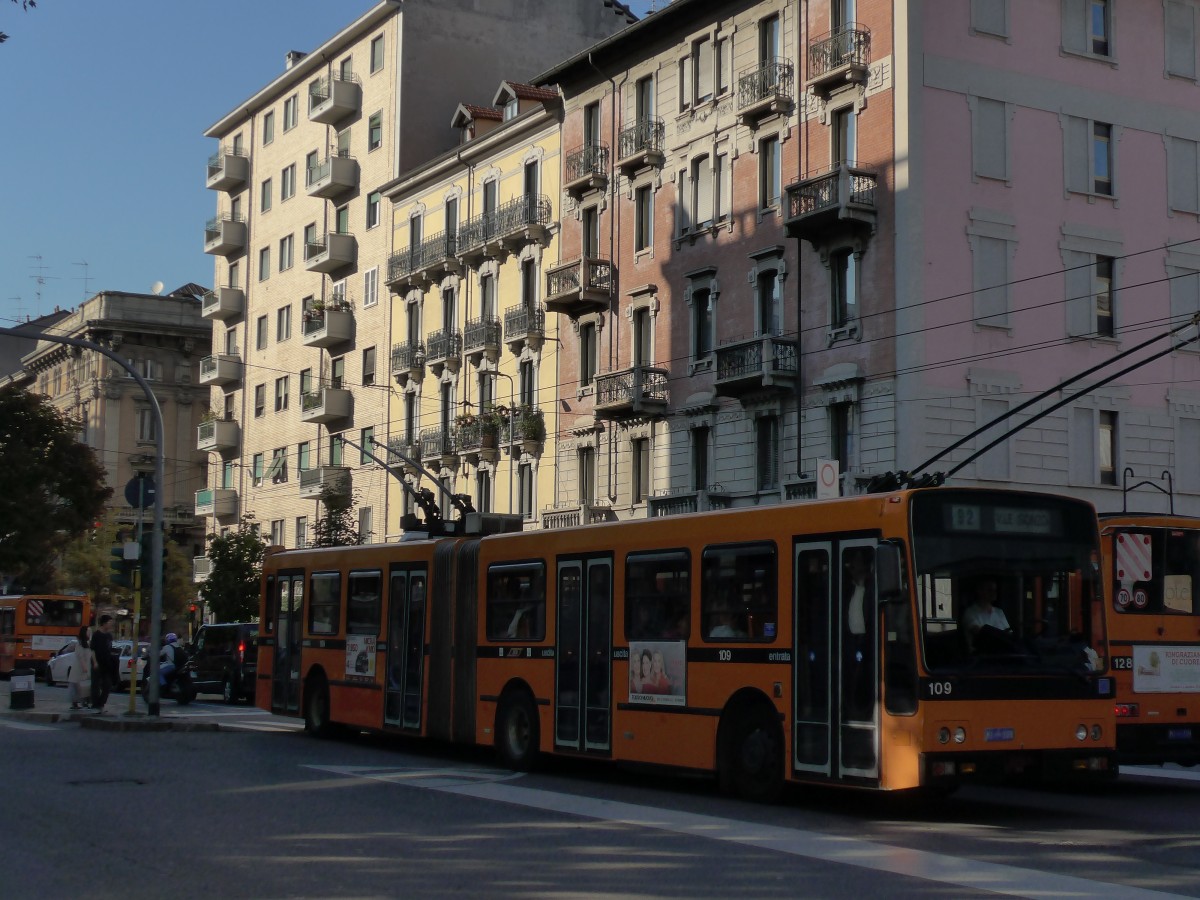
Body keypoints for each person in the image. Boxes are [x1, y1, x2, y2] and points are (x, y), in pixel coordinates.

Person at [964, 579, 1012, 651]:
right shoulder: (970, 613)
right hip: (982, 656)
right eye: (990, 590)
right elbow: (981, 634)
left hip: (1002, 653)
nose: (994, 593)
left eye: (995, 590)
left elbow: (1009, 633)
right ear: (979, 591)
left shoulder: (999, 612)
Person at [89, 615, 117, 714]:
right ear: (104, 623)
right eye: (109, 622)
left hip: (107, 664)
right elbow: (92, 650)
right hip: (97, 663)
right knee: (95, 685)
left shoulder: (109, 636)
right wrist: (95, 662)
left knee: (107, 685)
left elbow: (109, 649)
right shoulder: (96, 634)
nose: (111, 625)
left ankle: (101, 704)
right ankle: (95, 705)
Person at [67, 625, 92, 710]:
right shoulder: (80, 644)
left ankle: (83, 701)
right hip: (79, 668)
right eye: (88, 631)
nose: (90, 633)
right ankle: (77, 702)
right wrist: (84, 667)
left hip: (86, 667)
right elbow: (80, 657)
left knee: (83, 685)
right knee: (78, 685)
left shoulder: (88, 643)